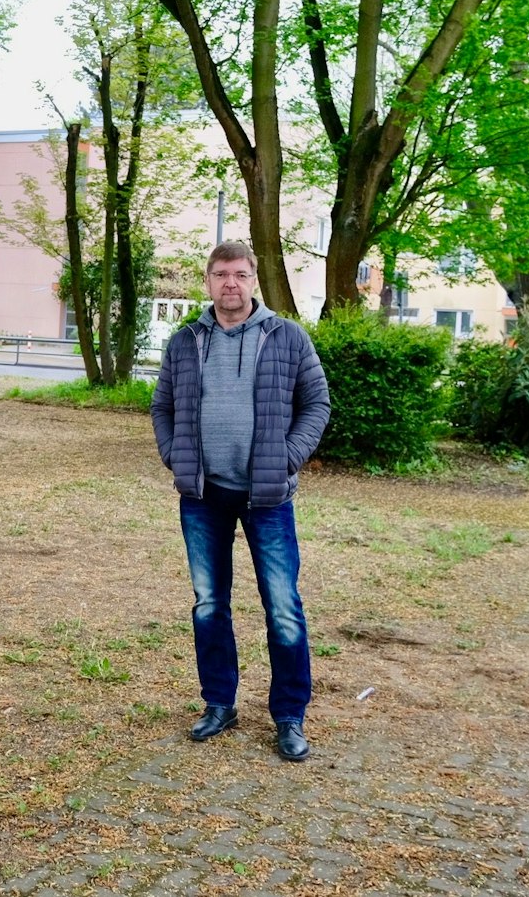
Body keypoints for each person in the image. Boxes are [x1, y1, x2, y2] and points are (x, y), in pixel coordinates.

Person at [150, 240, 331, 760]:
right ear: (207, 282)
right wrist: (174, 454)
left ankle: (289, 716)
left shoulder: (287, 337)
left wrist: (286, 456)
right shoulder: (185, 341)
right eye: (220, 274)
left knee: (283, 609)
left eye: (239, 274)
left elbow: (316, 402)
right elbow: (162, 405)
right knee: (210, 605)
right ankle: (219, 703)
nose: (230, 283)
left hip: (268, 496)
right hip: (204, 495)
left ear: (254, 280)